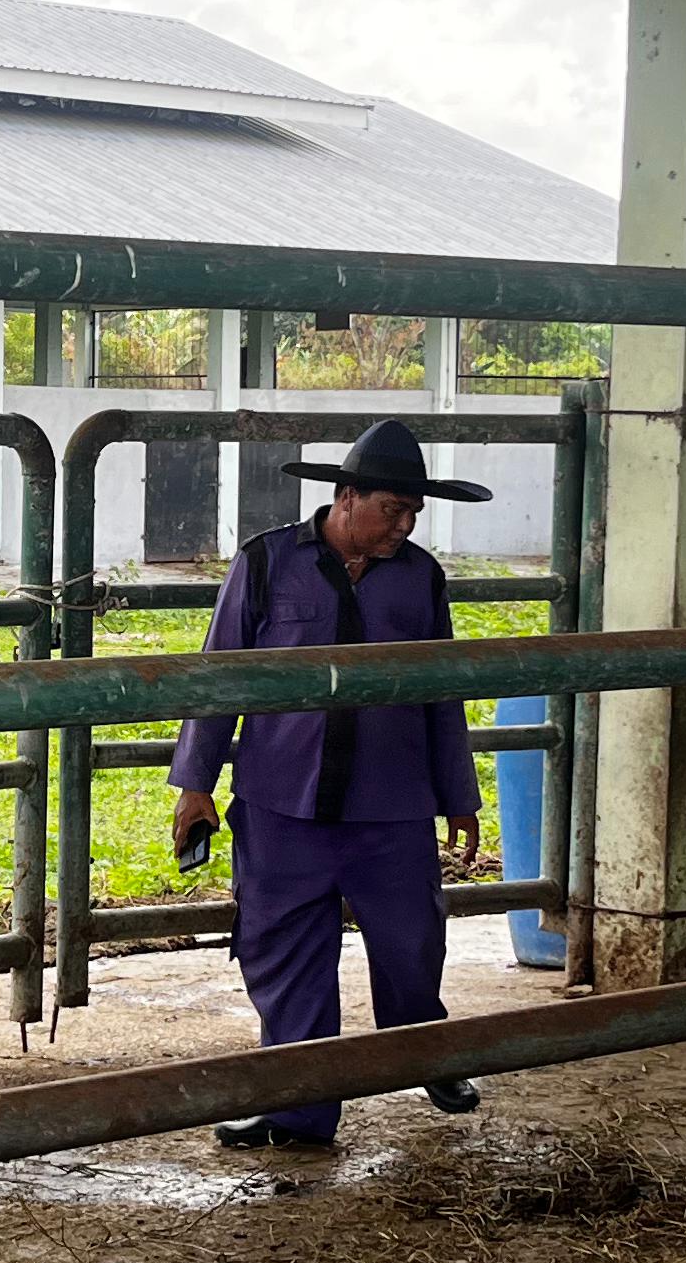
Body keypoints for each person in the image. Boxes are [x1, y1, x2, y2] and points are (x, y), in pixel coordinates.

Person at [168, 420, 487, 1150]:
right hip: (283, 800)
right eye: (392, 510)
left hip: (392, 800)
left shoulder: (421, 577)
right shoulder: (266, 562)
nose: (404, 527)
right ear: (346, 498)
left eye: (413, 513)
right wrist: (196, 784)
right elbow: (218, 674)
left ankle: (424, 1054)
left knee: (412, 943)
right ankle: (298, 1109)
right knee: (284, 954)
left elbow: (443, 690)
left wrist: (458, 794)